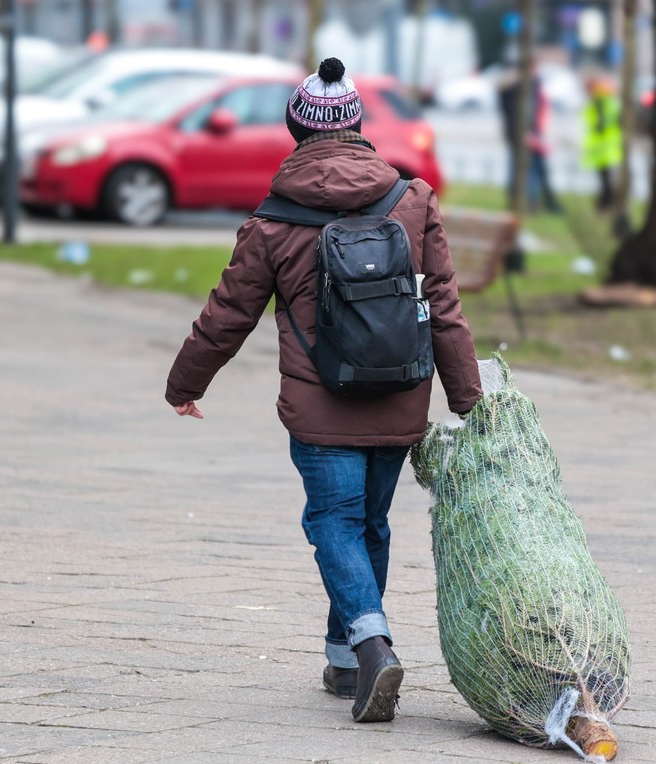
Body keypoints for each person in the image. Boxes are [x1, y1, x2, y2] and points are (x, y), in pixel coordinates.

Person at [165, 57, 482, 724]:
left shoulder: (273, 220)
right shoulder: (413, 202)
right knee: (368, 523)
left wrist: (185, 383)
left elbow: (229, 313)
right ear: (359, 127)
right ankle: (346, 660)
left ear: (294, 129)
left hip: (320, 404)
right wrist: (467, 399)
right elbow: (445, 309)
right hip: (401, 395)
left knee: (331, 521)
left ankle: (369, 646)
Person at [498, 64, 563, 214]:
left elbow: (538, 110)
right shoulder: (516, 88)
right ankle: (528, 202)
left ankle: (535, 201)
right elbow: (513, 112)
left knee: (535, 169)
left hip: (532, 134)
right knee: (527, 170)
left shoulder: (532, 85)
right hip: (522, 135)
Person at [581, 75, 622, 211]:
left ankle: (605, 205)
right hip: (606, 148)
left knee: (605, 181)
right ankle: (605, 204)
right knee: (606, 180)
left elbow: (599, 125)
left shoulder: (600, 103)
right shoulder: (607, 102)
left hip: (603, 149)